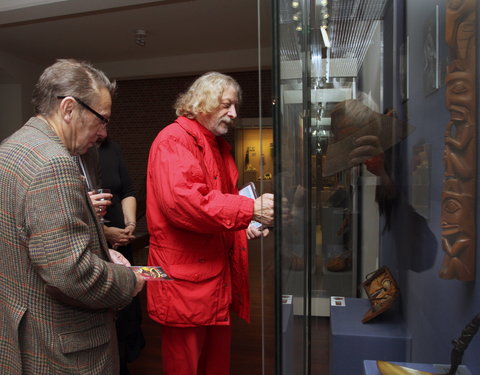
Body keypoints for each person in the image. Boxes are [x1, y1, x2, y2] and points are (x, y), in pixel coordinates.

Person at [0, 58, 145, 375]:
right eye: (101, 120)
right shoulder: (54, 165)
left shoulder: (11, 148)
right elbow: (72, 275)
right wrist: (129, 280)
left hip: (22, 334)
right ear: (68, 108)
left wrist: (99, 250)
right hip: (60, 348)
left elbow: (35, 244)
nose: (103, 133)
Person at [146, 71, 274, 375]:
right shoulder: (174, 140)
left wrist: (243, 226)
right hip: (183, 283)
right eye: (227, 105)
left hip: (210, 277)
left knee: (214, 364)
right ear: (203, 102)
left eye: (234, 107)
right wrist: (249, 210)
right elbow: (187, 204)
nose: (233, 114)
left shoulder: (214, 144)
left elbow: (217, 204)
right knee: (185, 366)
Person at [98, 137, 145, 374]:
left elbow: (127, 190)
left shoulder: (112, 148)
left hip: (122, 243)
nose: (104, 128)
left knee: (128, 313)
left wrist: (129, 223)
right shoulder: (73, 154)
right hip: (99, 246)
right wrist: (105, 232)